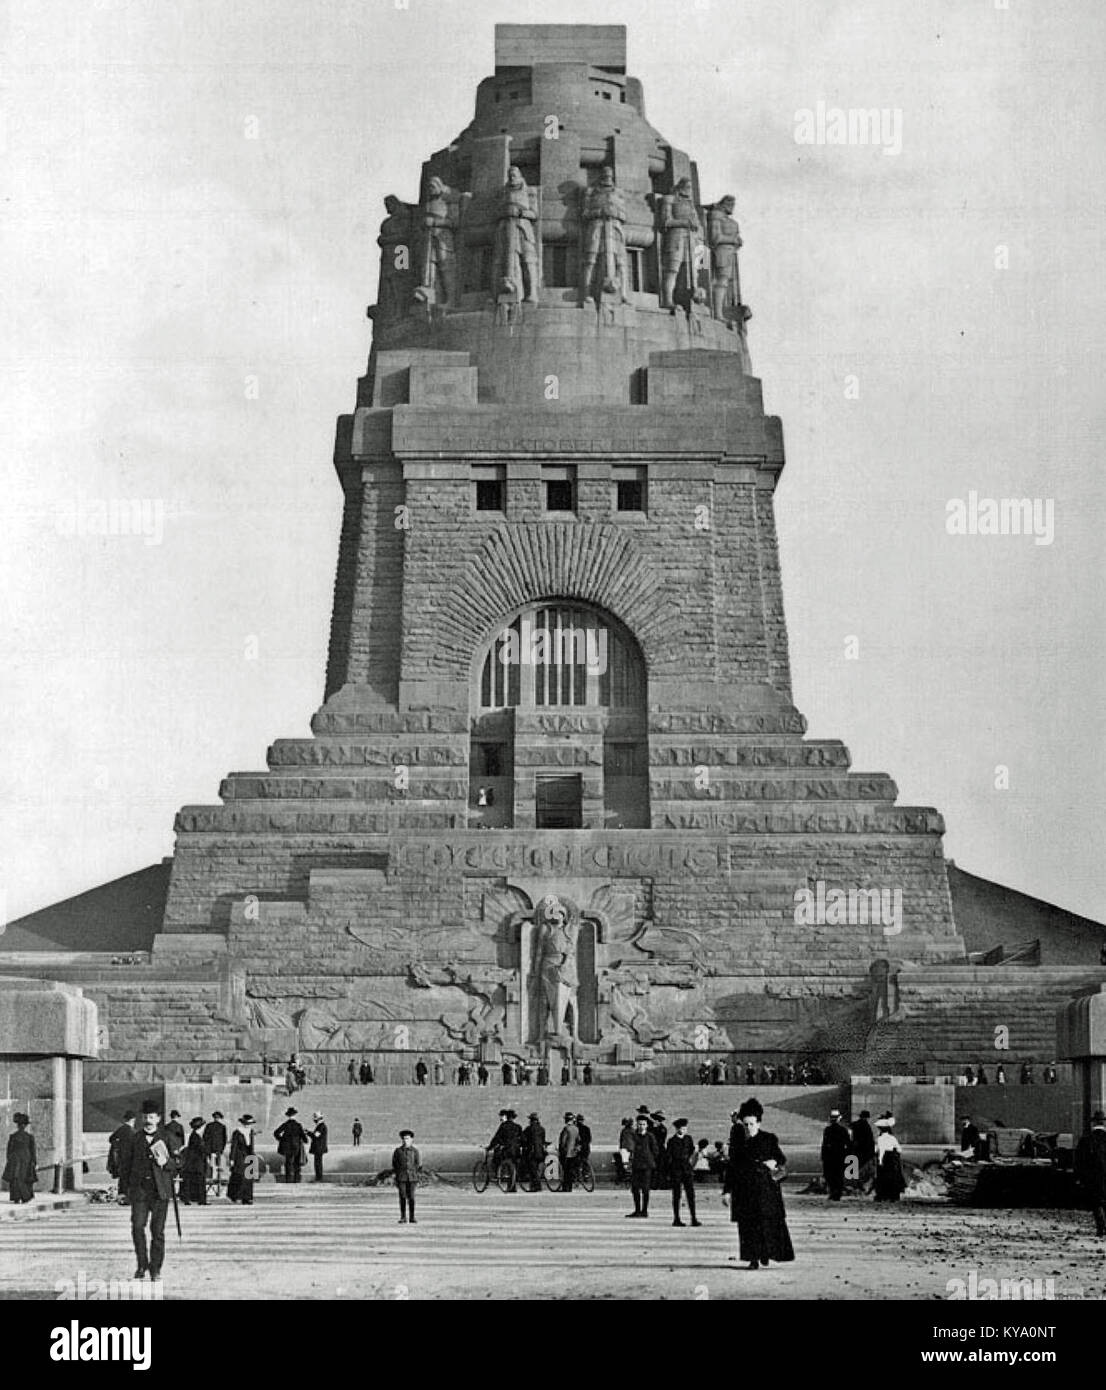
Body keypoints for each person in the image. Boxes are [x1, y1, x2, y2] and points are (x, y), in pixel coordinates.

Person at [722, 1099, 794, 1270]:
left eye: (751, 1124)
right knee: (747, 1226)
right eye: (745, 1124)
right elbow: (731, 1168)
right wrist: (726, 1191)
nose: (748, 1128)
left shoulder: (769, 1139)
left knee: (765, 1224)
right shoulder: (737, 1143)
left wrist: (773, 1162)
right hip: (744, 1191)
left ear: (758, 1123)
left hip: (765, 1190)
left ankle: (765, 1254)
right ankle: (753, 1258)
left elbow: (782, 1160)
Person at [117, 1100, 180, 1282]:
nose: (148, 1120)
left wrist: (166, 1163)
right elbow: (125, 1167)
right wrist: (123, 1190)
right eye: (145, 1117)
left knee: (157, 1232)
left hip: (160, 1192)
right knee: (137, 1227)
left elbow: (179, 1162)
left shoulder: (168, 1137)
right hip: (139, 1192)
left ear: (158, 1119)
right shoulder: (134, 1139)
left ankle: (155, 1269)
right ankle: (142, 1264)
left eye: (151, 1117)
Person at [1073, 1110, 1106, 1237]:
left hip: (1092, 1177)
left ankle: (1101, 1227)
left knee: (1096, 1202)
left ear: (1093, 1124)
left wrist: (1078, 1177)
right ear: (1103, 1123)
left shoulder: (1086, 1140)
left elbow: (1079, 1161)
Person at [667, 1118, 701, 1227]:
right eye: (682, 1128)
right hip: (676, 1169)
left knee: (691, 1194)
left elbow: (691, 1151)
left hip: (687, 1169)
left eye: (685, 1128)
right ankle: (676, 1218)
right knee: (676, 1195)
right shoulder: (671, 1141)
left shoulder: (688, 1139)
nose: (684, 1130)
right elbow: (669, 1156)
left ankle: (693, 1218)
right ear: (677, 1129)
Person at [624, 1114, 659, 1218]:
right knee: (635, 1189)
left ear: (647, 1125)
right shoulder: (633, 1135)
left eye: (643, 1124)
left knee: (645, 1189)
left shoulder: (650, 1136)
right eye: (639, 1124)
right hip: (636, 1165)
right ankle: (637, 1210)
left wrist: (649, 1158)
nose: (641, 1126)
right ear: (636, 1124)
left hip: (647, 1166)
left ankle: (644, 1210)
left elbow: (655, 1150)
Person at [3, 1113, 37, 1204]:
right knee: (25, 1178)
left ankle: (16, 1197)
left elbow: (9, 1151)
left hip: (15, 1160)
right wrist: (34, 1162)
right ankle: (25, 1197)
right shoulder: (29, 1137)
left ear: (18, 1125)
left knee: (16, 1178)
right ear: (25, 1126)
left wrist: (10, 1160)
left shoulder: (13, 1136)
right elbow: (33, 1151)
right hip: (26, 1160)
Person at [486, 1109, 523, 1191]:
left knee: (497, 1159)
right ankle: (512, 1186)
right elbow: (522, 1139)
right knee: (514, 1167)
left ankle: (498, 1174)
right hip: (516, 1150)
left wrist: (490, 1147)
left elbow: (497, 1138)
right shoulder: (518, 1127)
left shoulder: (503, 1126)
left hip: (507, 1150)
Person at [874, 1115, 906, 1202]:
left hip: (884, 1159)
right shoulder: (892, 1138)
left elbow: (880, 1151)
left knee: (882, 1177)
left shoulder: (880, 1139)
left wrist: (880, 1161)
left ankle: (882, 1195)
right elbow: (899, 1149)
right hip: (892, 1159)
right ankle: (893, 1195)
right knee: (892, 1177)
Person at [821, 1109, 851, 1201]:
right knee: (839, 1175)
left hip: (830, 1156)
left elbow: (825, 1144)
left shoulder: (827, 1130)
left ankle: (833, 1192)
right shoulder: (843, 1130)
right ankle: (837, 1193)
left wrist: (823, 1156)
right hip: (840, 1155)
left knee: (830, 1175)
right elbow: (848, 1144)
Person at [392, 1130, 420, 1224]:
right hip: (401, 1178)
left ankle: (412, 1217)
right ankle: (403, 1217)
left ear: (411, 1140)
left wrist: (413, 1173)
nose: (405, 1141)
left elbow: (417, 1164)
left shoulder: (415, 1151)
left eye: (407, 1139)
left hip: (412, 1178)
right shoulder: (398, 1151)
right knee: (402, 1197)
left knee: (411, 1197)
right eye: (404, 1139)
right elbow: (395, 1164)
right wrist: (398, 1174)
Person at [107, 1110, 136, 1197]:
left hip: (121, 1157)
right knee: (129, 1177)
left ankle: (122, 1194)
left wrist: (118, 1146)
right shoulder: (132, 1131)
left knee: (123, 1177)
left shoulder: (121, 1129)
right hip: (130, 1157)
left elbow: (111, 1138)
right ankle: (127, 1195)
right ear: (133, 1120)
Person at [227, 1114, 256, 1205]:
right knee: (239, 1177)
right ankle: (236, 1196)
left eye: (249, 1124)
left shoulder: (251, 1131)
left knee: (248, 1177)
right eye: (246, 1124)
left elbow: (251, 1145)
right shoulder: (237, 1132)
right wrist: (232, 1159)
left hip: (249, 1156)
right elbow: (234, 1146)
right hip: (239, 1157)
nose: (248, 1125)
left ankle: (247, 1197)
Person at [274, 1107, 307, 1184]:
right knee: (297, 1164)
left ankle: (288, 1180)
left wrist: (282, 1140)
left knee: (288, 1163)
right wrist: (305, 1140)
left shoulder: (285, 1125)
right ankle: (297, 1180)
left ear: (288, 1116)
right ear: (295, 1115)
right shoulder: (298, 1125)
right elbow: (303, 1137)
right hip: (296, 1147)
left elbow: (276, 1133)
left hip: (287, 1148)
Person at [180, 1118, 207, 1205]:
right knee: (199, 1180)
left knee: (194, 1181)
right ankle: (201, 1200)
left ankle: (196, 1199)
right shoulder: (196, 1136)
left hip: (194, 1162)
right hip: (196, 1162)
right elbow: (200, 1149)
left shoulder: (195, 1135)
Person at [851, 1109, 876, 1192]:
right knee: (863, 1169)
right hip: (865, 1152)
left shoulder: (855, 1125)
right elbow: (869, 1141)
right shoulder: (866, 1126)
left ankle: (855, 1184)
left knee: (856, 1168)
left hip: (856, 1150)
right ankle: (860, 1185)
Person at [522, 1112, 546, 1191]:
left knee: (532, 1170)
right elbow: (543, 1140)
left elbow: (523, 1139)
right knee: (538, 1170)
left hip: (532, 1152)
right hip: (541, 1152)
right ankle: (536, 1186)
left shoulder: (528, 1129)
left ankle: (535, 1187)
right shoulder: (542, 1129)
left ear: (531, 1120)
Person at [204, 1111, 227, 1189]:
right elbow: (224, 1139)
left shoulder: (209, 1126)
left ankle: (212, 1179)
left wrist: (207, 1149)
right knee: (218, 1165)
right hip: (218, 1149)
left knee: (212, 1165)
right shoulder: (222, 1127)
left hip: (210, 1149)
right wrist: (222, 1149)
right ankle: (217, 1179)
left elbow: (205, 1138)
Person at [558, 1111, 580, 1192]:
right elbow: (578, 1140)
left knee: (566, 1170)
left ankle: (565, 1187)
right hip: (573, 1153)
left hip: (566, 1153)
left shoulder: (566, 1129)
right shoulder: (576, 1129)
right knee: (570, 1170)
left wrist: (560, 1150)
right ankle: (569, 1187)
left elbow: (563, 1141)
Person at [308, 1111, 328, 1182]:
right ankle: (318, 1177)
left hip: (318, 1148)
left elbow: (315, 1136)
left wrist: (308, 1133)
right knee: (318, 1163)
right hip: (320, 1147)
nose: (314, 1120)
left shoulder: (321, 1126)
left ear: (318, 1119)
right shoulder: (322, 1126)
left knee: (318, 1163)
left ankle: (318, 1178)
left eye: (315, 1119)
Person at [651, 1111, 669, 1189]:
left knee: (661, 1168)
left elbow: (660, 1140)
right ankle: (653, 1184)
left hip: (660, 1150)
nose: (656, 1121)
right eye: (655, 1119)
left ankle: (661, 1184)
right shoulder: (650, 1128)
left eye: (658, 1120)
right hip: (652, 1150)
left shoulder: (662, 1129)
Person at [615, 1117, 634, 1186]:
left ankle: (627, 1176)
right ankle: (628, 1176)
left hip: (625, 1149)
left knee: (626, 1164)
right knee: (628, 1164)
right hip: (630, 1149)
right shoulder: (632, 1130)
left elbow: (621, 1140)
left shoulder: (624, 1131)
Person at [575, 1113, 592, 1178]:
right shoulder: (587, 1128)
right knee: (585, 1161)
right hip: (585, 1148)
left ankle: (577, 1176)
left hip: (578, 1148)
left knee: (576, 1163)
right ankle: (586, 1174)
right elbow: (589, 1139)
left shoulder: (575, 1128)